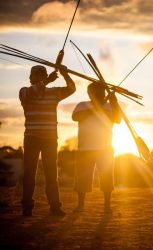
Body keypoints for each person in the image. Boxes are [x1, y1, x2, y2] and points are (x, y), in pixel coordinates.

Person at [19, 65, 76, 216]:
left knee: (51, 174)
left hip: (50, 138)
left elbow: (72, 88)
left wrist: (65, 73)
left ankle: (55, 207)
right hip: (31, 137)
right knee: (29, 173)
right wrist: (48, 80)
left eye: (40, 75)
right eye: (34, 75)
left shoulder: (53, 92)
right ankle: (27, 207)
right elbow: (35, 90)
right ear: (30, 78)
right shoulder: (24, 91)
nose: (37, 77)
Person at [72, 82, 121, 213]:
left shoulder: (110, 106)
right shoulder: (82, 105)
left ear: (104, 93)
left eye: (101, 92)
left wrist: (114, 101)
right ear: (89, 94)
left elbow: (118, 120)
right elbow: (75, 117)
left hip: (105, 148)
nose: (99, 94)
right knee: (82, 178)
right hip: (84, 149)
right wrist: (96, 107)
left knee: (106, 178)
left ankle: (107, 206)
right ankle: (81, 205)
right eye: (94, 92)